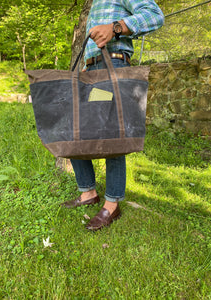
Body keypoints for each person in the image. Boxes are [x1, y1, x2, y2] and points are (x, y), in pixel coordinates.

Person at [62, 0, 164, 230]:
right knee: (75, 130)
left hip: (113, 67)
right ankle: (88, 193)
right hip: (91, 70)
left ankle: (112, 203)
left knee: (112, 134)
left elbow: (155, 15)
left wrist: (116, 27)